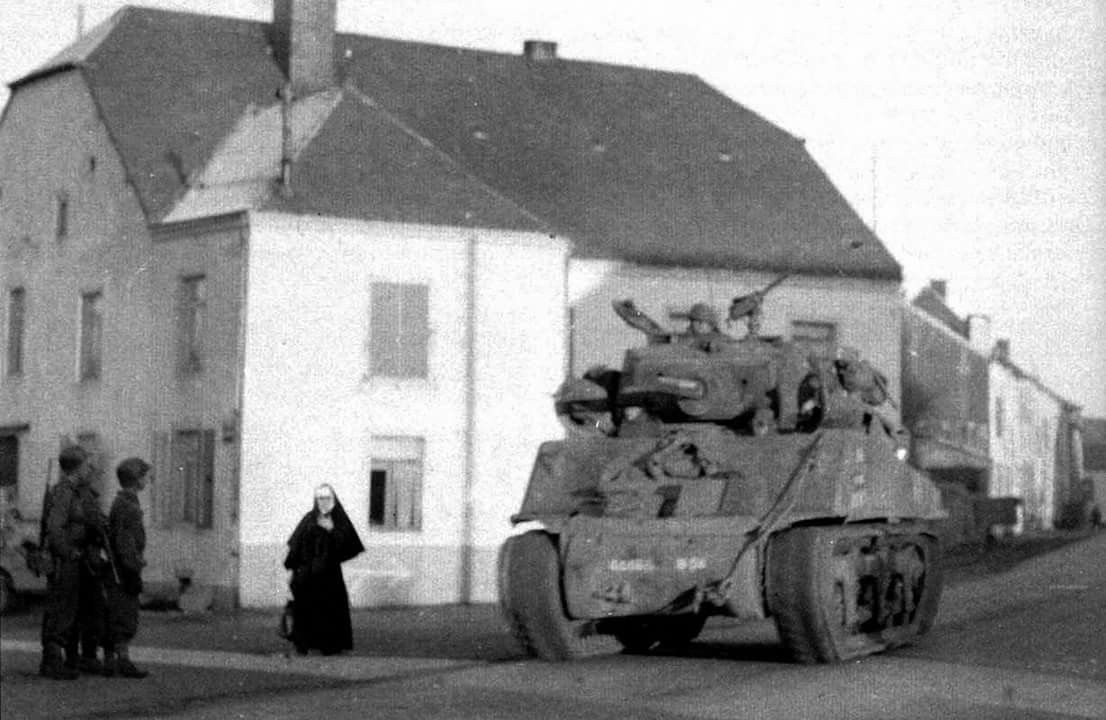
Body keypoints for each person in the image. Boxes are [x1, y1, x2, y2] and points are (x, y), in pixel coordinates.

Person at [283, 484, 365, 656]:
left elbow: (349, 547)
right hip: (306, 575)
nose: (324, 502)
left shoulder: (340, 521)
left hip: (329, 576)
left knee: (330, 610)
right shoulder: (308, 519)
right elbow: (296, 546)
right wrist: (291, 570)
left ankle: (330, 645)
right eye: (320, 498)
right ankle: (303, 644)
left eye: (327, 498)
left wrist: (332, 531)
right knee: (305, 609)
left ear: (334, 499)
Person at [39, 445, 92, 680]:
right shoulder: (64, 492)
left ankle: (60, 660)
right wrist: (68, 552)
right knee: (60, 609)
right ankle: (52, 662)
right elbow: (54, 527)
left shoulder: (73, 491)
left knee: (68, 609)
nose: (89, 468)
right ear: (78, 467)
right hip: (64, 561)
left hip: (71, 559)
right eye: (86, 464)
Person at [102, 457, 151, 678]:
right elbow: (125, 542)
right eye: (144, 476)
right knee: (124, 615)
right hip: (124, 570)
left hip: (120, 567)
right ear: (136, 479)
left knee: (118, 613)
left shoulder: (122, 503)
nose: (147, 481)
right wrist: (133, 567)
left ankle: (112, 661)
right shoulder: (128, 506)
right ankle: (121, 660)